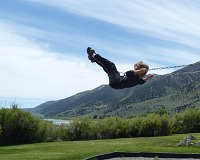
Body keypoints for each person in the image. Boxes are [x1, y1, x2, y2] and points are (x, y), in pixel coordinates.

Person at [87, 47, 154, 89]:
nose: (135, 66)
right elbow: (143, 81)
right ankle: (94, 59)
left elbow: (128, 73)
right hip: (116, 82)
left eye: (136, 66)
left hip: (117, 82)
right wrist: (149, 77)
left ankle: (94, 55)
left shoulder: (135, 76)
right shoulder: (139, 79)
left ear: (139, 70)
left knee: (110, 65)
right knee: (106, 67)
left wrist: (139, 71)